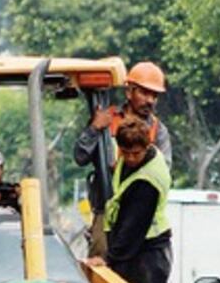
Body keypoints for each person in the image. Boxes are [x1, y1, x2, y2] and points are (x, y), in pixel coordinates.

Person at [74, 61, 172, 258]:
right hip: (105, 209)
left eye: (154, 95)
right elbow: (80, 156)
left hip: (139, 216)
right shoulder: (106, 119)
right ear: (129, 92)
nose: (150, 100)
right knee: (102, 270)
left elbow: (163, 173)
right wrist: (94, 128)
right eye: (144, 93)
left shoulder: (158, 131)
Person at [84, 116, 172, 283]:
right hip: (131, 251)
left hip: (148, 253)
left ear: (147, 146)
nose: (131, 158)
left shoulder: (148, 180)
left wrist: (108, 258)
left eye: (136, 153)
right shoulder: (125, 160)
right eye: (126, 152)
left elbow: (133, 228)